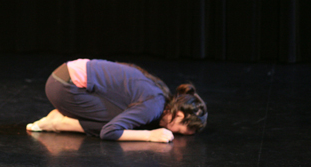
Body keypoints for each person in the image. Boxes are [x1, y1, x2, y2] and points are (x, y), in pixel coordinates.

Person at [26, 59, 207, 143]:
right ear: (178, 113)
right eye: (182, 126)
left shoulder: (158, 94)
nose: (178, 132)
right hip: (65, 87)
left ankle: (62, 116)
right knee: (121, 124)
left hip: (62, 76)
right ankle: (58, 123)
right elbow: (110, 132)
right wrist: (149, 136)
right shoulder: (154, 105)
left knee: (127, 117)